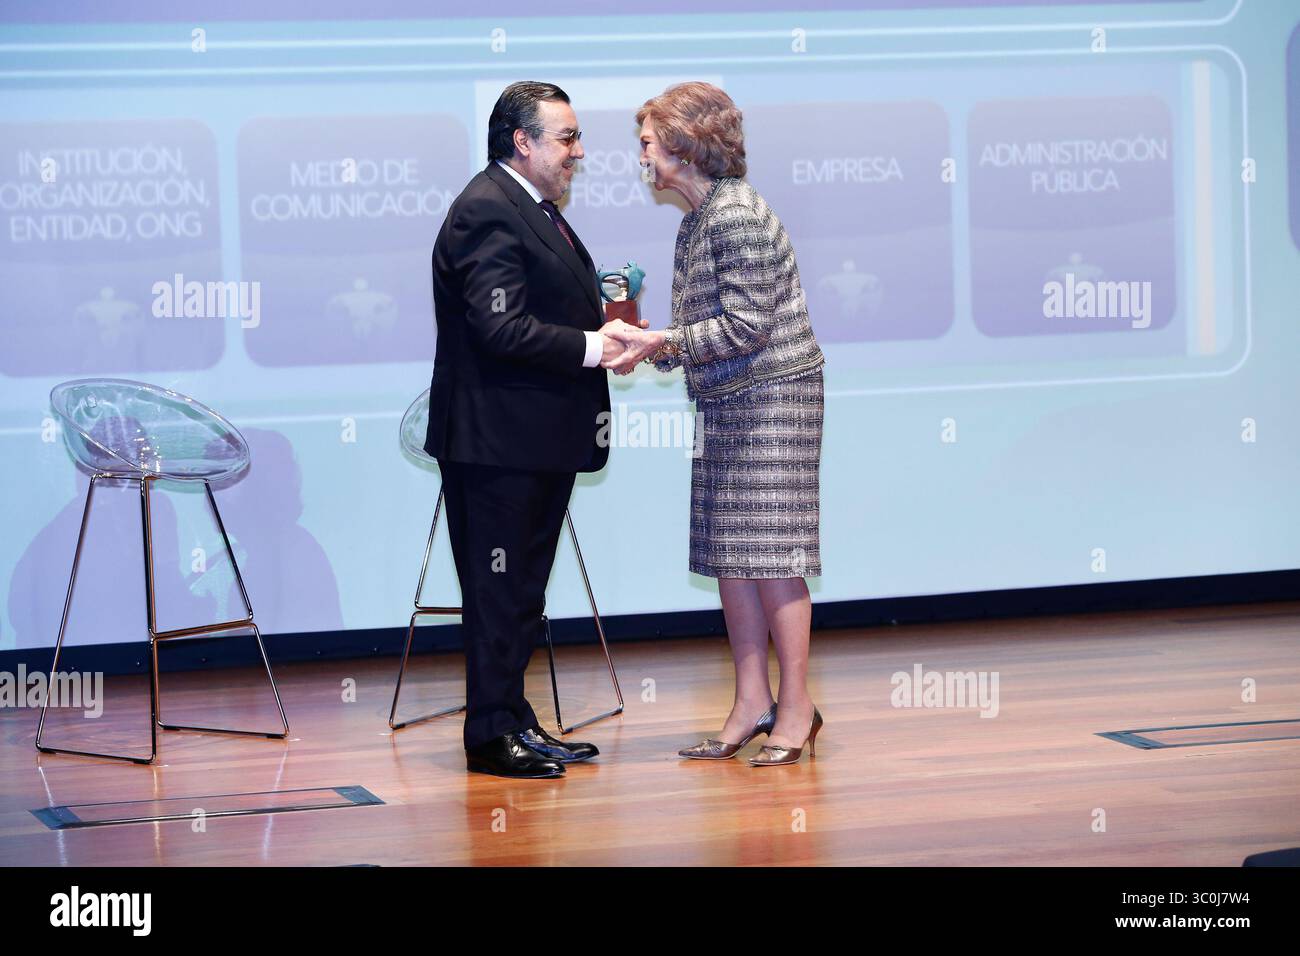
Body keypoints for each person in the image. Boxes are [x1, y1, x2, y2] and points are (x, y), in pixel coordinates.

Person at [605, 82, 826, 766]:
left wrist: (660, 344)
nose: (640, 155)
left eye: (647, 141)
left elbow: (749, 327)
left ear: (684, 145)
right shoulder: (699, 217)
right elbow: (714, 327)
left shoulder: (733, 215)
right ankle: (750, 703)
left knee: (773, 554)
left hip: (772, 400)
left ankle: (795, 710)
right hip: (730, 397)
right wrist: (654, 348)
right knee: (731, 553)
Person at [423, 81, 636, 779]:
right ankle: (489, 734)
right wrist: (593, 346)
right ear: (522, 141)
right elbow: (498, 326)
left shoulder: (532, 208)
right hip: (496, 446)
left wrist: (604, 332)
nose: (579, 151)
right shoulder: (487, 210)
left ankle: (515, 720)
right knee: (497, 593)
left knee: (523, 592)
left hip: (534, 440)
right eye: (567, 137)